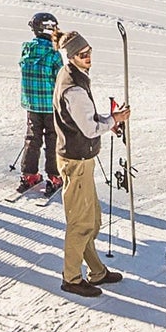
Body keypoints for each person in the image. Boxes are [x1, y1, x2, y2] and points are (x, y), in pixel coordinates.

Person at [54, 26, 123, 293]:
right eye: (82, 54)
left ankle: (96, 271)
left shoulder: (74, 76)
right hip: (76, 159)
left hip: (82, 158)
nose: (87, 57)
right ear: (71, 57)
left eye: (89, 52)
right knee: (80, 223)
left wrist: (110, 121)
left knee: (92, 220)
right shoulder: (74, 88)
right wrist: (114, 120)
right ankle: (71, 279)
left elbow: (90, 123)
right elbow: (90, 127)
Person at [15, 9, 65, 192]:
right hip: (51, 106)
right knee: (53, 140)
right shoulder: (53, 54)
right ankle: (55, 175)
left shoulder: (27, 49)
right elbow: (61, 78)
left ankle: (29, 174)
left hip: (32, 104)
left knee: (32, 138)